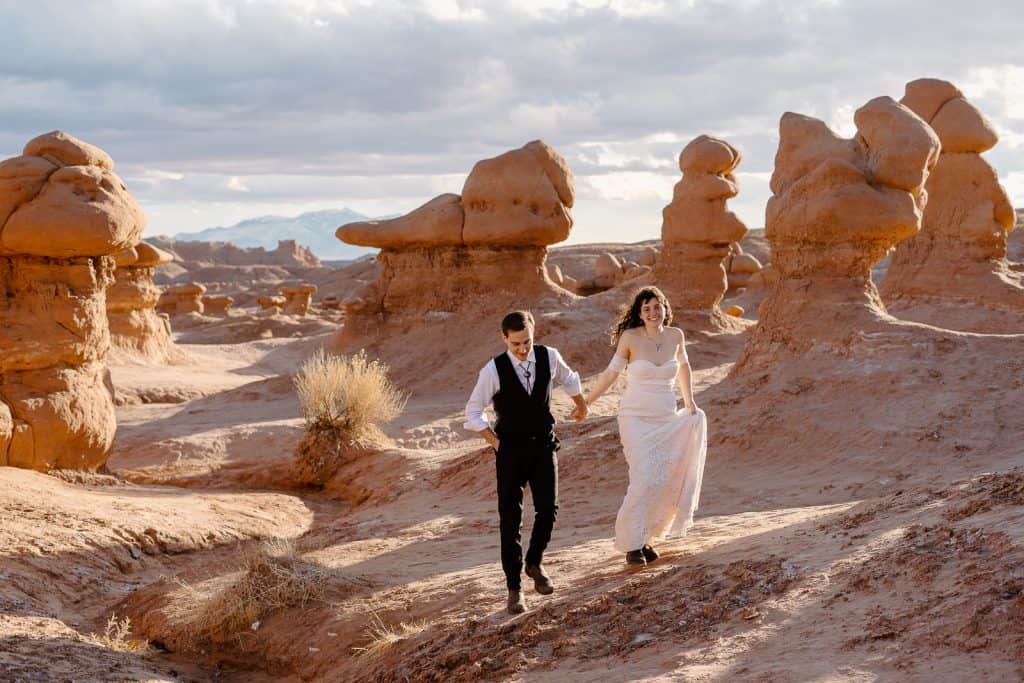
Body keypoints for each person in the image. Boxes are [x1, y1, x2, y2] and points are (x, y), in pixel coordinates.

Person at [465, 310, 588, 614]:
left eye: (527, 342)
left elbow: (569, 379)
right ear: (504, 338)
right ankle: (514, 589)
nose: (523, 349)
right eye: (516, 343)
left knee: (549, 508)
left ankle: (534, 562)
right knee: (511, 518)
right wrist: (496, 443)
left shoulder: (549, 356)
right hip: (510, 452)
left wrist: (581, 405)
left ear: (534, 333)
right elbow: (472, 411)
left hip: (544, 445)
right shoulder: (493, 370)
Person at [584, 286, 707, 566]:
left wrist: (690, 403)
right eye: (647, 308)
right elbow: (610, 375)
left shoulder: (676, 336)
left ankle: (647, 537)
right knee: (644, 477)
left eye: (657, 307)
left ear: (665, 308)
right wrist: (587, 401)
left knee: (662, 479)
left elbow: (684, 368)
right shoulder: (630, 337)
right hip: (635, 418)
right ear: (639, 314)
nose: (653, 313)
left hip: (665, 417)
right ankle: (631, 544)